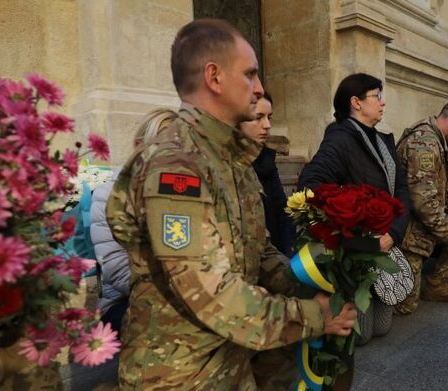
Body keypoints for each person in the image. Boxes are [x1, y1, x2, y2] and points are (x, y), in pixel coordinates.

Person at [106, 19, 357, 390]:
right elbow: (211, 294)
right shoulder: (177, 165)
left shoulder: (232, 160)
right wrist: (313, 315)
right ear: (215, 77)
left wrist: (315, 281)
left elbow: (260, 254)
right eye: (250, 74)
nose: (258, 88)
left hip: (230, 363)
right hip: (178, 376)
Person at [297, 73, 412, 346]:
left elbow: (403, 191)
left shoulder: (383, 141)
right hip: (360, 247)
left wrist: (394, 233)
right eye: (377, 96)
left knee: (382, 329)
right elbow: (310, 186)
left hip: (387, 240)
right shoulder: (340, 139)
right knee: (361, 335)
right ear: (356, 103)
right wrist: (352, 223)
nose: (383, 103)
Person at [393, 97, 448, 315]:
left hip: (427, 225)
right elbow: (423, 204)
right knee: (405, 307)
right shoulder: (424, 143)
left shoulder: (440, 141)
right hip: (408, 233)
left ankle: (435, 284)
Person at [91, 108, 174, 335]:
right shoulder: (108, 194)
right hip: (125, 300)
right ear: (139, 146)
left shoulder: (181, 192)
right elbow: (117, 271)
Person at [239, 93, 295, 256]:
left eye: (269, 117)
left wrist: (288, 254)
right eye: (258, 117)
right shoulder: (228, 161)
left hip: (273, 256)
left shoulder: (265, 159)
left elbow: (282, 211)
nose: (267, 125)